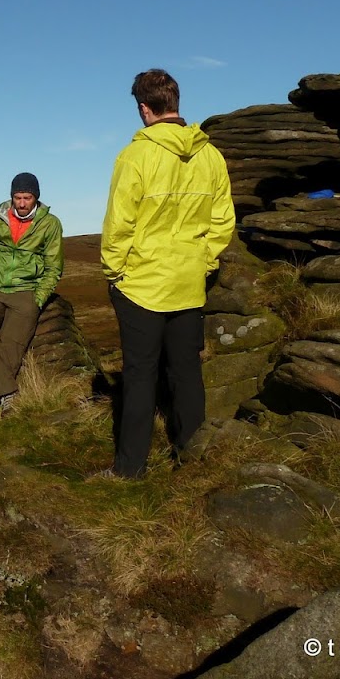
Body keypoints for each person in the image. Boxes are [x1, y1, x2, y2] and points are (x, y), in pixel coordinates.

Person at [99, 69, 235, 478]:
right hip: (189, 283)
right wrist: (203, 262)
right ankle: (191, 459)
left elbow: (120, 224)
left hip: (141, 285)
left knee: (139, 377)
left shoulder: (135, 156)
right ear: (174, 103)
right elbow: (222, 220)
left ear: (144, 109)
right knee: (186, 373)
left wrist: (115, 272)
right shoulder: (210, 155)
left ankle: (130, 469)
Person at [0, 172, 64, 431]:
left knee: (12, 346)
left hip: (26, 292)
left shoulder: (50, 224)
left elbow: (54, 266)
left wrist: (38, 298)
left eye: (27, 197)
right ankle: (9, 393)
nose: (22, 203)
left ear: (36, 198)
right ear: (11, 196)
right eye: (17, 197)